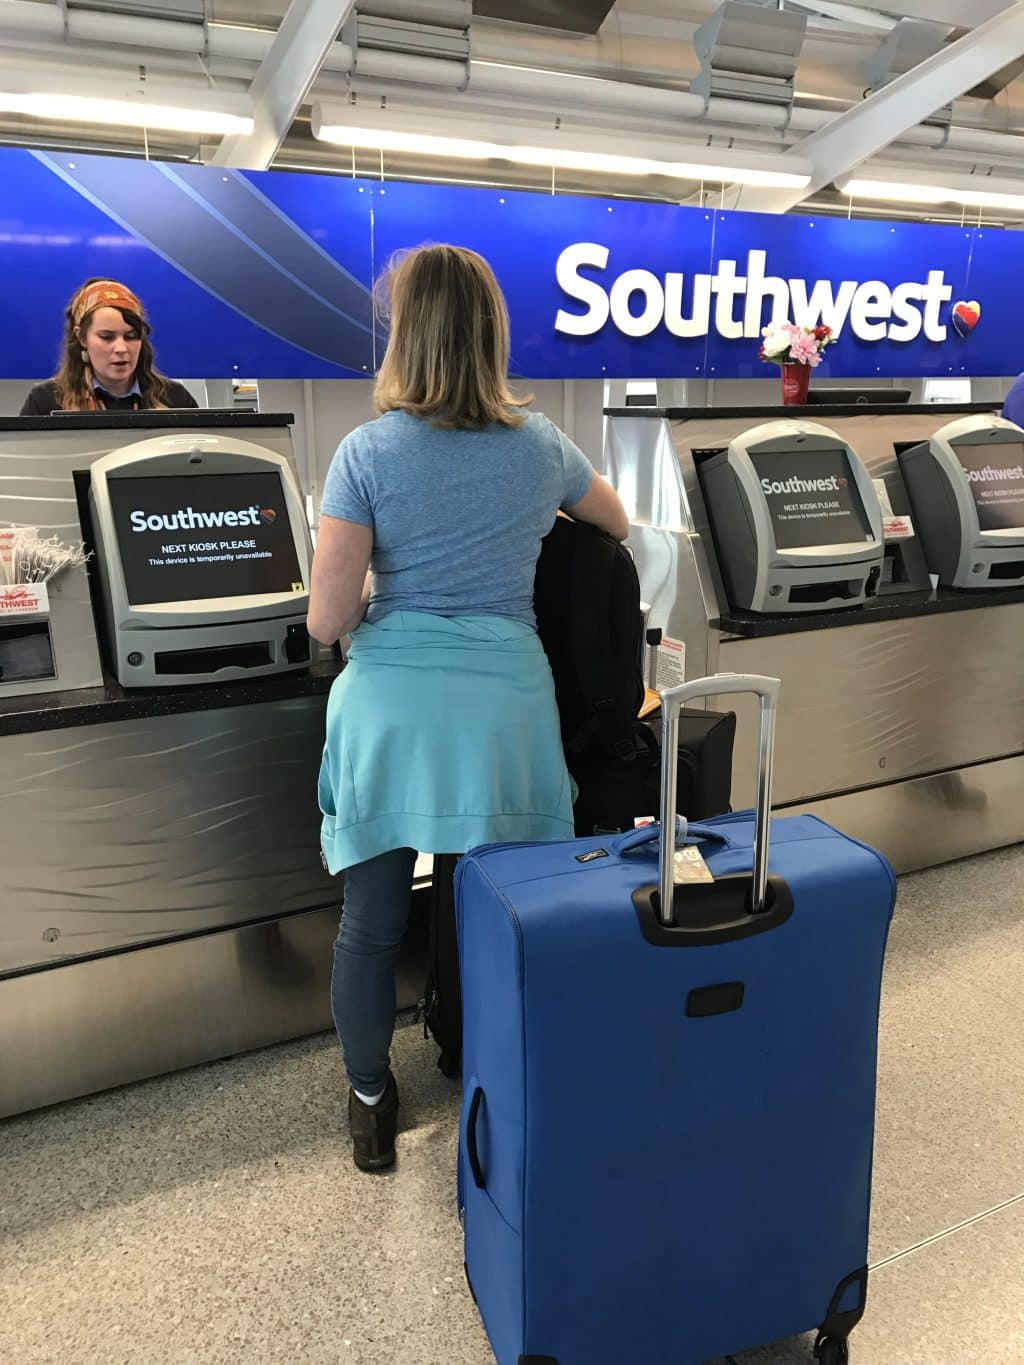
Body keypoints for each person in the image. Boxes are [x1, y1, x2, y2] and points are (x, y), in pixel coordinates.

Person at [307, 243, 628, 1173]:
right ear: (492, 333)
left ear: (407, 335)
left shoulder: (366, 451)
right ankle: (495, 1076)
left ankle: (371, 1100)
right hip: (505, 712)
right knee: (496, 909)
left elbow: (329, 620)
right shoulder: (541, 447)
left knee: (371, 922)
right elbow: (615, 527)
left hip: (394, 710)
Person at [20, 278, 199, 415]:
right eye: (107, 337)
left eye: (131, 337)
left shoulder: (175, 399)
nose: (121, 348)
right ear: (81, 337)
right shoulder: (45, 402)